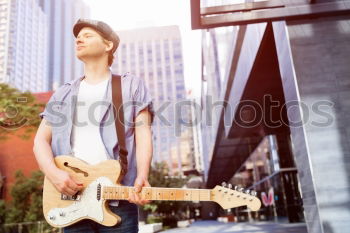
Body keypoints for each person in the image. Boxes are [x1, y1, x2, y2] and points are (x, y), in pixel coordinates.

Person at [33, 19, 154, 233]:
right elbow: (40, 140)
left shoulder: (130, 85)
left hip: (120, 199)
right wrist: (53, 174)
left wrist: (142, 175)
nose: (79, 39)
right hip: (71, 201)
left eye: (88, 35)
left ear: (108, 45)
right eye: (78, 37)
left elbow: (143, 133)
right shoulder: (63, 93)